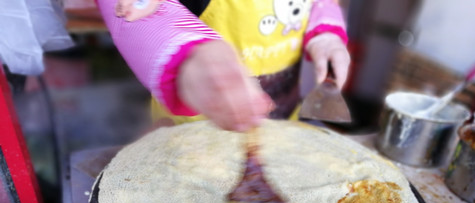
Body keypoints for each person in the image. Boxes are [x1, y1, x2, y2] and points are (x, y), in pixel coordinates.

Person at [95, 0, 351, 132]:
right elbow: (134, 11)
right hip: (193, 127)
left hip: (281, 118)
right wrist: (189, 59)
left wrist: (325, 33)